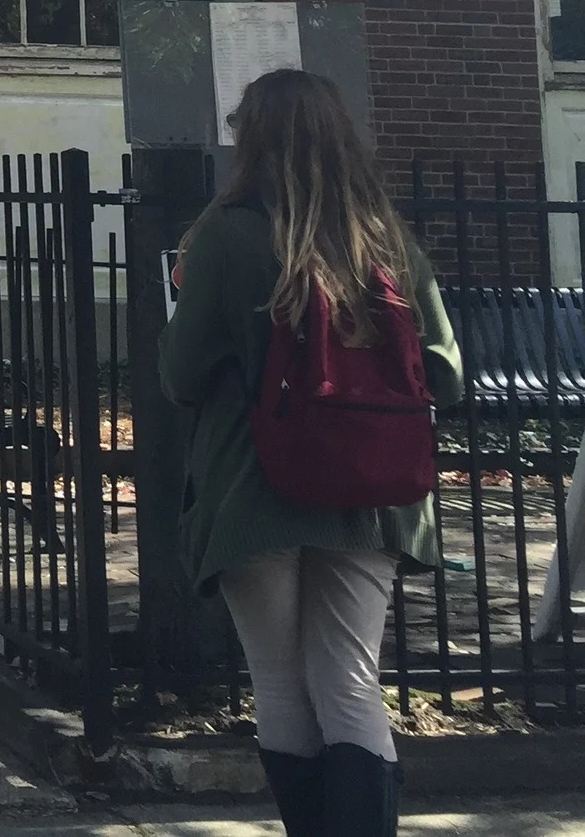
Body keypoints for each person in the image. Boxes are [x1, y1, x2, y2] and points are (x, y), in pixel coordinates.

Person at [160, 69, 463, 837]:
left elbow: (180, 372)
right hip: (372, 489)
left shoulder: (225, 234)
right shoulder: (386, 236)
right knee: (351, 680)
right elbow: (448, 372)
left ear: (252, 141)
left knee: (281, 682)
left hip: (254, 488)